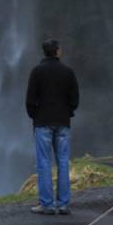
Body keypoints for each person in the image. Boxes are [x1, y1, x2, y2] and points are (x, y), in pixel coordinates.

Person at [25, 38, 79, 215]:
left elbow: (30, 100)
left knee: (44, 162)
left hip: (42, 123)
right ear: (58, 51)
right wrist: (68, 113)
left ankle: (46, 204)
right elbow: (75, 99)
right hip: (63, 122)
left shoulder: (37, 72)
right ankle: (63, 204)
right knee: (63, 162)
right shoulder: (68, 72)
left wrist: (35, 116)